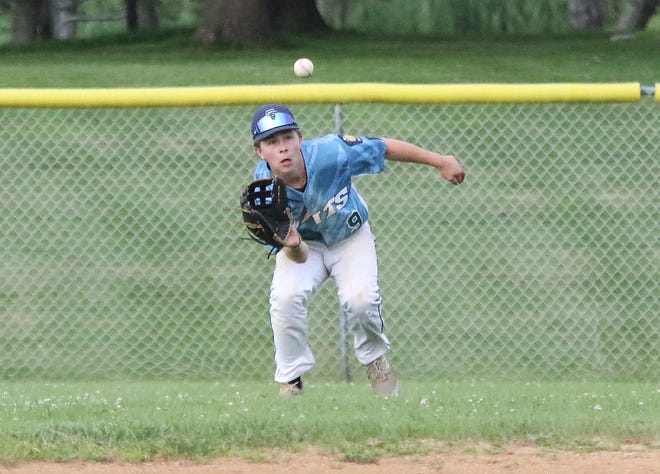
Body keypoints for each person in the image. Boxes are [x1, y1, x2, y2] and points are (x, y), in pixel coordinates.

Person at [249, 104, 465, 397]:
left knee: (360, 301)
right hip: (305, 247)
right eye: (272, 142)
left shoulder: (330, 153)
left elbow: (383, 147)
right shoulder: (265, 193)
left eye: (287, 137)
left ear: (300, 138)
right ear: (259, 152)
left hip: (350, 238)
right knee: (286, 299)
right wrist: (292, 242)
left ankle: (376, 360)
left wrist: (440, 160)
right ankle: (291, 379)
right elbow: (295, 256)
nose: (283, 148)